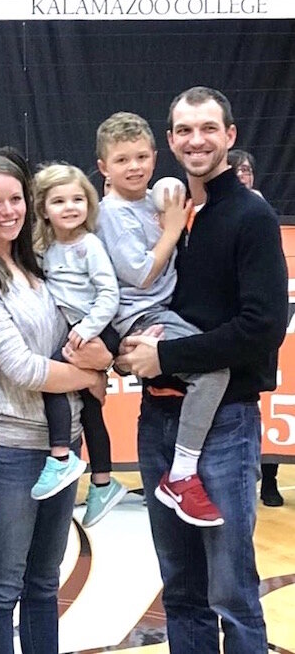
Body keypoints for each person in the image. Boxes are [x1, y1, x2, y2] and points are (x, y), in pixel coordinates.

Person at [117, 87, 287, 653]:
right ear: (170, 140)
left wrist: (166, 357)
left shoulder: (250, 215)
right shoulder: (162, 214)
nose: (196, 140)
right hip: (157, 420)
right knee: (182, 593)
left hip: (224, 426)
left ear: (230, 136)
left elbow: (263, 327)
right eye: (184, 130)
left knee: (233, 593)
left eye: (208, 128)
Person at [0, 154, 109, 654]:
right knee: (3, 588)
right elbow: (22, 368)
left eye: (15, 198)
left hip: (63, 444)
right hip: (8, 447)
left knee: (45, 583)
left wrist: (104, 358)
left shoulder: (39, 263)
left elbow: (81, 334)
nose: (8, 211)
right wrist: (90, 374)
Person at [96, 111, 231, 527]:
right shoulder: (110, 214)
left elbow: (173, 192)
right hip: (144, 316)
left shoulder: (153, 196)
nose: (133, 167)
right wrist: (172, 228)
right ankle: (182, 474)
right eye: (121, 160)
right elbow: (140, 273)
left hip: (166, 310)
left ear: (155, 156)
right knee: (213, 371)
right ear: (103, 167)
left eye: (140, 157)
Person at [30, 162, 126, 526]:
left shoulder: (90, 246)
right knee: (89, 409)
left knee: (54, 380)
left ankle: (60, 457)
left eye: (77, 199)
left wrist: (89, 328)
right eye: (59, 201)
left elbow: (109, 294)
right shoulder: (47, 247)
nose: (70, 207)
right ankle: (102, 481)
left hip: (95, 331)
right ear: (43, 209)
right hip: (78, 331)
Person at [228, 148, 284, 506]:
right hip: (227, 326)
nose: (243, 175)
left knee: (255, 403)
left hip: (254, 325)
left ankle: (269, 480)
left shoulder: (260, 210)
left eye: (248, 169)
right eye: (237, 170)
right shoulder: (208, 209)